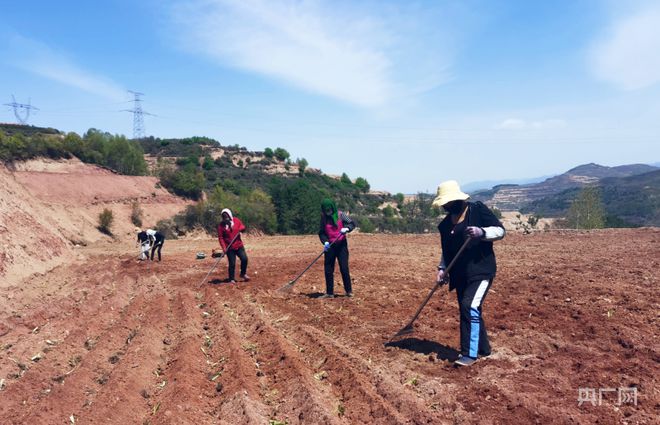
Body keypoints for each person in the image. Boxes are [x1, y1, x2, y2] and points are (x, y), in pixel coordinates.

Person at [432, 180, 505, 367]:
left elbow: (500, 230)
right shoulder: (445, 225)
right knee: (470, 310)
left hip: (481, 270)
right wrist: (442, 269)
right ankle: (483, 348)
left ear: (457, 199)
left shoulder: (477, 210)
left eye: (449, 202)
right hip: (460, 274)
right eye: (444, 204)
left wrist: (482, 232)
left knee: (469, 306)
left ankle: (469, 354)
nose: (447, 206)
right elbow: (446, 251)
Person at [318, 198, 356, 298]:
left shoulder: (341, 214)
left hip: (341, 245)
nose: (328, 212)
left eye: (329, 210)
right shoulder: (323, 218)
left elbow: (352, 223)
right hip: (330, 246)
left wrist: (347, 228)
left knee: (344, 268)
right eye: (326, 211)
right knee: (328, 269)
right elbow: (322, 232)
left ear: (333, 208)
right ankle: (330, 293)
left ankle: (349, 291)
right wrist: (325, 242)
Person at [217, 208, 250, 283]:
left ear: (230, 215)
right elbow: (221, 238)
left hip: (238, 245)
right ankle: (231, 278)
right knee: (232, 263)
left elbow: (243, 227)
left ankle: (243, 274)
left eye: (227, 217)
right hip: (229, 247)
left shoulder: (236, 221)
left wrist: (242, 229)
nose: (226, 219)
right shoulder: (221, 226)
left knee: (244, 259)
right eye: (224, 217)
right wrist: (224, 248)